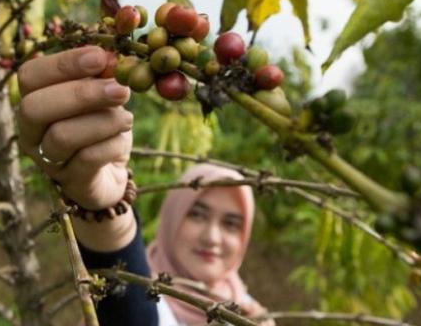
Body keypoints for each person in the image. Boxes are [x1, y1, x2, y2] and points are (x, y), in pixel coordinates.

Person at [17, 46, 274, 325]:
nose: (212, 237)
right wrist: (103, 205)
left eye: (231, 223)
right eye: (197, 214)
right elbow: (129, 309)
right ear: (171, 218)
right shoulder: (136, 295)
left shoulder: (254, 316)